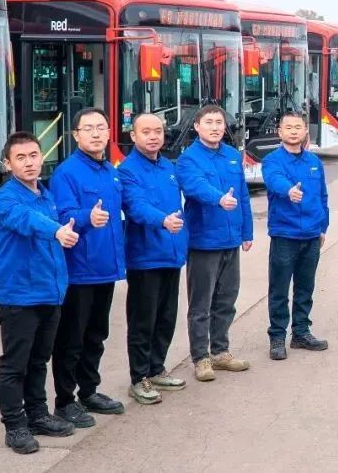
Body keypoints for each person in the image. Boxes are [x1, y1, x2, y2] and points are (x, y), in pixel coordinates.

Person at [0, 132, 79, 454]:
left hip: (49, 293)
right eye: (20, 158)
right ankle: (15, 425)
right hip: (19, 297)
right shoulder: (5, 199)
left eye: (33, 155)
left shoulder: (46, 194)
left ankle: (38, 414)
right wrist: (56, 231)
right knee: (15, 365)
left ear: (42, 157)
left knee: (39, 360)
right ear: (8, 164)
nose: (29, 163)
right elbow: (26, 221)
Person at [50, 108, 126, 427]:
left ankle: (89, 391)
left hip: (105, 268)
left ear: (109, 133)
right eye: (88, 128)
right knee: (72, 338)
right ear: (76, 135)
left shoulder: (110, 170)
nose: (96, 134)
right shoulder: (66, 173)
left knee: (96, 335)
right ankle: (65, 401)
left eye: (101, 127)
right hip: (79, 270)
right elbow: (62, 214)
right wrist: (86, 217)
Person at [176, 105, 254, 382]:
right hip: (204, 242)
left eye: (219, 122)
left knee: (226, 300)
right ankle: (201, 358)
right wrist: (218, 198)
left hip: (231, 240)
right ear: (197, 126)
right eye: (208, 122)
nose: (215, 127)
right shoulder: (188, 159)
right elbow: (194, 187)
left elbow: (243, 196)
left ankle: (220, 351)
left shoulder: (232, 155)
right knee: (201, 304)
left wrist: (247, 232)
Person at [118, 114, 188, 405]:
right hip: (145, 258)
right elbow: (135, 207)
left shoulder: (168, 167)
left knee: (166, 317)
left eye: (158, 131)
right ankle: (139, 378)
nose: (153, 136)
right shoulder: (127, 170)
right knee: (142, 321)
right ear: (133, 136)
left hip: (171, 255)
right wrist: (162, 220)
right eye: (145, 131)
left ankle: (156, 369)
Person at [262, 112, 330, 361]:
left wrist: (323, 227)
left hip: (311, 235)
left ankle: (301, 332)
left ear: (305, 131)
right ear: (279, 132)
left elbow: (322, 196)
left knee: (305, 287)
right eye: (288, 127)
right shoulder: (272, 160)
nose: (293, 131)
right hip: (285, 234)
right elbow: (274, 180)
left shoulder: (314, 161)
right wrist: (288, 190)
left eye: (298, 127)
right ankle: (277, 336)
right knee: (279, 288)